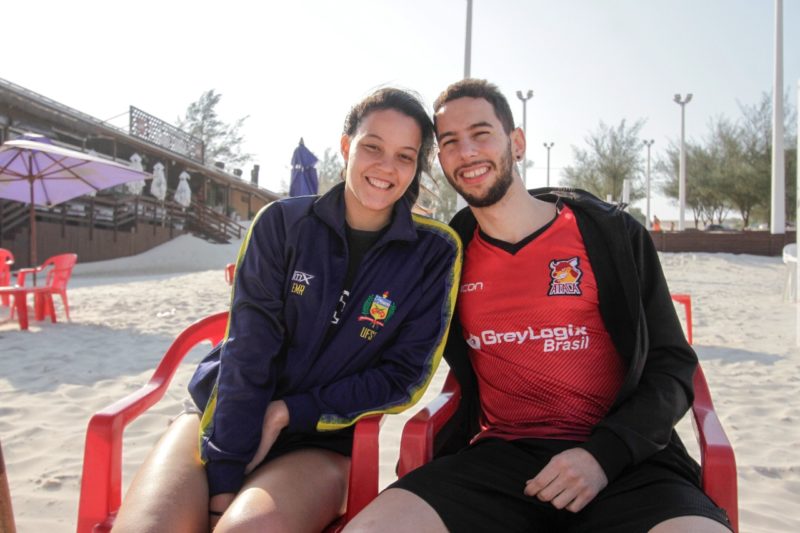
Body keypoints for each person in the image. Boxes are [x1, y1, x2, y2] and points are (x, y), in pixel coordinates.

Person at [344, 79, 732, 532]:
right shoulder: (448, 255)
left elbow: (672, 366)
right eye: (450, 142)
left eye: (481, 133)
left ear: (518, 141)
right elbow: (378, 336)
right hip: (501, 462)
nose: (467, 151)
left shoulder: (611, 236)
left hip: (627, 462)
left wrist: (602, 455)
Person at [112, 87, 462, 533]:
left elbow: (404, 377)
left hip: (318, 440)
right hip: (220, 416)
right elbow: (248, 350)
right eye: (372, 147)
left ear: (416, 166)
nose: (386, 167)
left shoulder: (433, 252)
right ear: (345, 146)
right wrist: (224, 477)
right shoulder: (282, 224)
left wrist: (290, 411)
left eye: (405, 156)